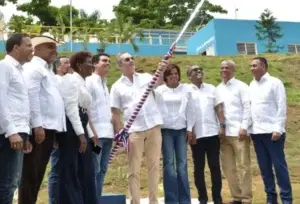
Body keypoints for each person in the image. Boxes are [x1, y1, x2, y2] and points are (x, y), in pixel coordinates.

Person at [110, 52, 167, 204]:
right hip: (134, 131)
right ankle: (135, 201)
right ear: (120, 65)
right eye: (127, 59)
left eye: (132, 58)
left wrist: (161, 69)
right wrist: (119, 134)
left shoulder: (146, 77)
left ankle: (153, 201)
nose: (131, 61)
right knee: (133, 169)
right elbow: (115, 113)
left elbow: (160, 82)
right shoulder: (116, 87)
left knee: (154, 166)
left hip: (153, 126)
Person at [18, 36, 66, 204]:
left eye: (55, 46)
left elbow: (53, 100)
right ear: (36, 49)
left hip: (48, 128)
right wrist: (37, 125)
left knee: (38, 173)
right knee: (30, 174)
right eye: (49, 46)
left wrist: (55, 129)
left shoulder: (47, 70)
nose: (54, 50)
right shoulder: (34, 68)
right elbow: (31, 97)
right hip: (38, 127)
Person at [249, 57, 292, 204]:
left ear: (264, 66)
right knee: (265, 168)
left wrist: (278, 128)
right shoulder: (251, 85)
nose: (252, 68)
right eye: (251, 66)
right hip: (257, 133)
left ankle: (286, 199)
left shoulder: (275, 82)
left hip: (273, 133)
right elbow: (251, 109)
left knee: (279, 167)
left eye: (254, 65)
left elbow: (281, 106)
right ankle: (270, 198)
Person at [57, 51, 98, 204]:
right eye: (89, 62)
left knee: (86, 170)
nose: (92, 65)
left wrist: (89, 133)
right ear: (79, 65)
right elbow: (71, 109)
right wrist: (81, 134)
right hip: (72, 129)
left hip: (81, 127)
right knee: (72, 171)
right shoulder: (71, 80)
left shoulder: (83, 82)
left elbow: (84, 112)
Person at [0, 33, 33, 204]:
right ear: (15, 48)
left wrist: (24, 133)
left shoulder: (19, 70)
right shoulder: (4, 67)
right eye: (28, 46)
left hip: (18, 132)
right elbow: (1, 100)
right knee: (7, 183)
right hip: (8, 133)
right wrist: (12, 132)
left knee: (11, 182)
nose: (32, 50)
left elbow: (19, 104)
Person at [155, 64, 194, 204]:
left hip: (181, 131)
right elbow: (157, 110)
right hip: (166, 131)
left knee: (182, 165)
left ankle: (184, 200)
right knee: (169, 165)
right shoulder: (160, 91)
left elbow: (191, 110)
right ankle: (171, 200)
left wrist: (189, 129)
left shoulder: (186, 89)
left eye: (176, 73)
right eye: (170, 73)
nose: (174, 76)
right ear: (166, 76)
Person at [187, 65, 224, 204]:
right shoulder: (186, 90)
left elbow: (219, 108)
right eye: (195, 70)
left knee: (215, 166)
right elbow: (186, 112)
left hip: (212, 133)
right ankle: (202, 198)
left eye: (200, 69)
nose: (199, 71)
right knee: (199, 168)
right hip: (196, 135)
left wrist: (222, 125)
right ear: (189, 75)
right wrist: (189, 130)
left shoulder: (212, 88)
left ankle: (217, 198)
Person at [216, 60, 252, 204]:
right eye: (222, 67)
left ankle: (246, 198)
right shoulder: (217, 89)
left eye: (228, 68)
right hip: (224, 135)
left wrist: (244, 127)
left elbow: (247, 107)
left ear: (233, 70)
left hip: (239, 133)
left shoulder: (241, 86)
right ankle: (236, 197)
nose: (224, 70)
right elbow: (217, 110)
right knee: (228, 168)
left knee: (244, 166)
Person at [85, 53, 113, 199]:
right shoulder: (89, 81)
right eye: (104, 61)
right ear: (95, 64)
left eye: (109, 61)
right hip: (97, 136)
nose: (107, 63)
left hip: (108, 135)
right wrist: (91, 132)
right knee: (94, 170)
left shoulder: (105, 83)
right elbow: (86, 108)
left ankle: (96, 199)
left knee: (102, 170)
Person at [48, 56, 71, 204]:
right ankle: (54, 200)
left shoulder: (70, 81)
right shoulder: (55, 81)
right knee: (56, 167)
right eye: (65, 63)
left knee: (66, 167)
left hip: (69, 128)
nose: (69, 65)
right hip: (59, 129)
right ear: (57, 67)